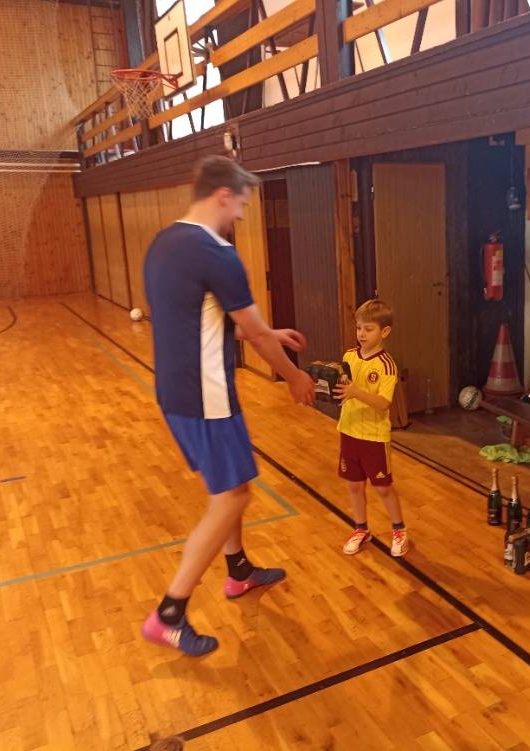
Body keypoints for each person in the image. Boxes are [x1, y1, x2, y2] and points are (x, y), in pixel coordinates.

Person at [141, 155, 315, 657]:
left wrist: (264, 331)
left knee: (224, 487)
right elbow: (254, 335)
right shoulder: (216, 253)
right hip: (207, 397)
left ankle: (238, 571)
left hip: (174, 393)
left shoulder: (164, 242)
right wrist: (294, 375)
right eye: (241, 204)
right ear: (223, 195)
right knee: (234, 495)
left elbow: (198, 318)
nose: (240, 215)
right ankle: (169, 613)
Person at [334, 299, 409, 557]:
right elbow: (343, 389)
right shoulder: (348, 356)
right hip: (348, 431)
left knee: (382, 487)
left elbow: (383, 403)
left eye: (368, 329)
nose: (361, 334)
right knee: (354, 485)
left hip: (373, 437)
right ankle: (361, 528)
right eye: (359, 328)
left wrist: (356, 392)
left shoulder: (387, 365)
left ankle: (399, 530)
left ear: (384, 331)